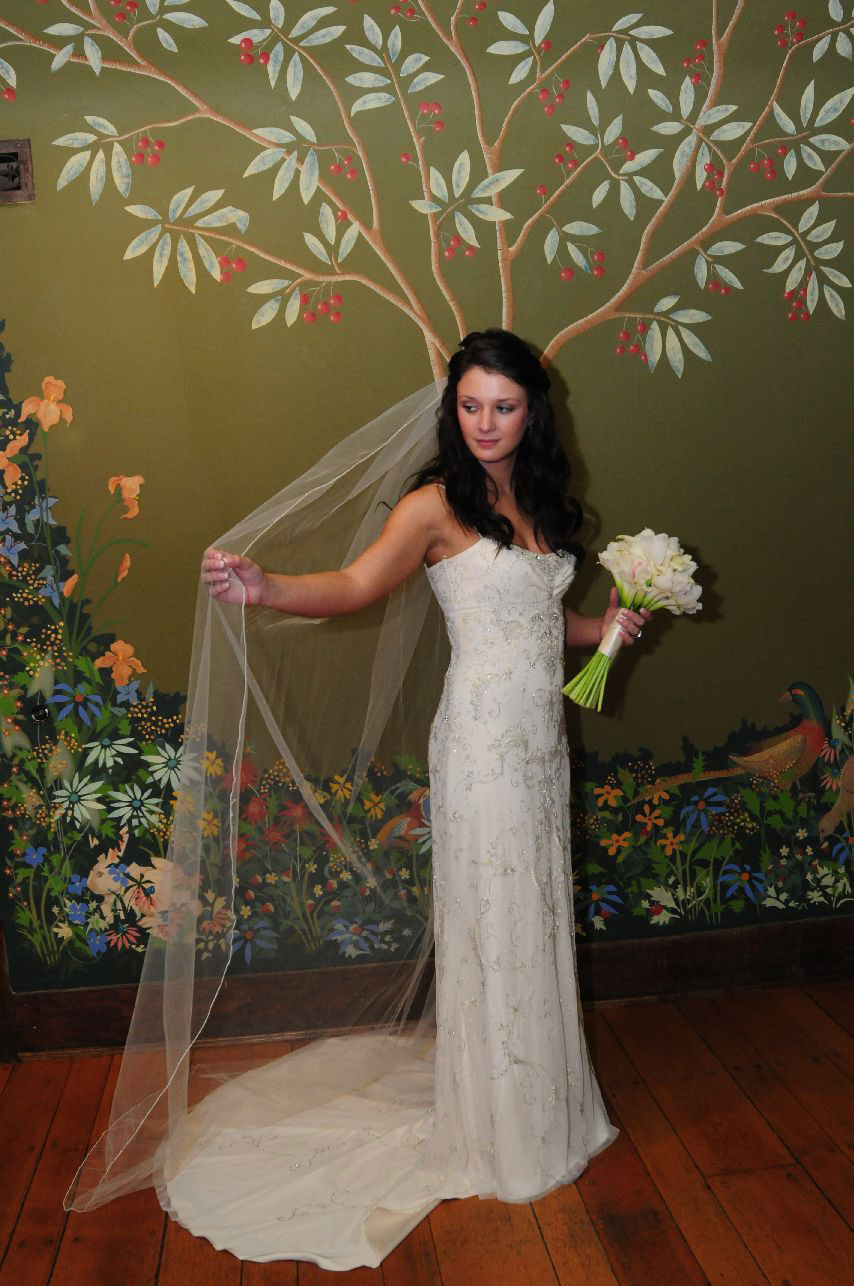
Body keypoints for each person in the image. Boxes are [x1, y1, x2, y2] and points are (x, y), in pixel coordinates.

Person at [175, 329, 650, 1267]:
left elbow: (541, 616)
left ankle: (543, 1110)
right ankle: (495, 1126)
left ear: (532, 411)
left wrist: (608, 628)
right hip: (479, 745)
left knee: (533, 912)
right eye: (470, 404)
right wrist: (263, 586)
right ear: (453, 407)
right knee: (494, 916)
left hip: (539, 748)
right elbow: (354, 584)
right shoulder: (436, 503)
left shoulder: (542, 497)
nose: (484, 423)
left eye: (503, 406)